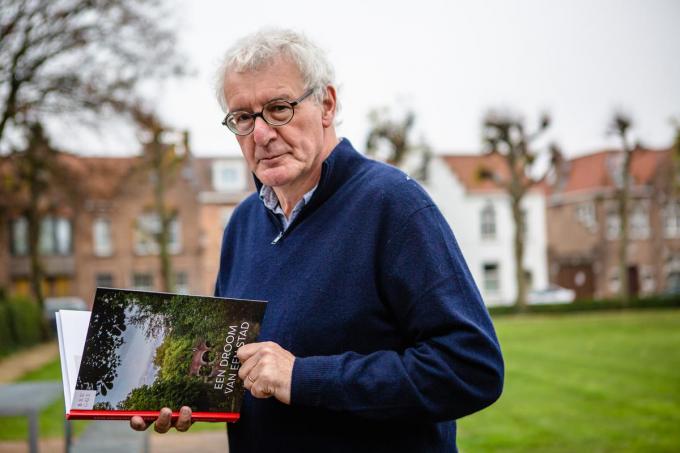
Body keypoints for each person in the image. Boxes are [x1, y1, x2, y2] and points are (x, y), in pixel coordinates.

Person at [131, 28, 504, 452]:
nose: (261, 134)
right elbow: (238, 364)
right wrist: (182, 392)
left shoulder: (394, 205)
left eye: (279, 108)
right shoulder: (242, 224)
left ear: (326, 104)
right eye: (243, 118)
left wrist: (303, 378)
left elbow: (471, 368)